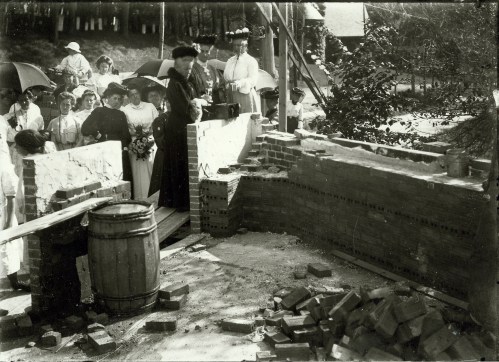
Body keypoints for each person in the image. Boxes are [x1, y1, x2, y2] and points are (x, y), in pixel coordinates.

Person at [159, 46, 202, 210]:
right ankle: (179, 203)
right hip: (177, 129)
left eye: (191, 67)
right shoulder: (175, 84)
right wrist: (197, 104)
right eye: (186, 66)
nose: (188, 70)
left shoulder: (186, 82)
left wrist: (197, 101)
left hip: (183, 128)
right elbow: (185, 108)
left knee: (182, 165)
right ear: (177, 66)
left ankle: (182, 201)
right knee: (178, 165)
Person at [81, 82, 133, 194]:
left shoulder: (121, 114)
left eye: (120, 99)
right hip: (103, 148)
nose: (117, 101)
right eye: (114, 98)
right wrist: (98, 135)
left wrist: (123, 148)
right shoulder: (99, 111)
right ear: (108, 98)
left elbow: (126, 135)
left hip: (118, 150)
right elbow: (85, 127)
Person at [11, 130, 56, 225]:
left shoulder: (29, 163)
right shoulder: (44, 158)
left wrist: (21, 206)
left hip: (30, 210)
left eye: (17, 145)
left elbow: (23, 190)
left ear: (26, 146)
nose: (15, 148)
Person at [0, 150, 29, 292]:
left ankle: (15, 283)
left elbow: (10, 196)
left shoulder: (3, 166)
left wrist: (8, 223)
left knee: (7, 251)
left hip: (3, 216)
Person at [122, 85, 158, 200]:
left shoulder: (150, 106)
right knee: (137, 172)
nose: (135, 96)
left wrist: (149, 133)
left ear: (140, 94)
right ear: (128, 97)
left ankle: (154, 195)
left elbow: (157, 122)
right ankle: (140, 197)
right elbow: (125, 128)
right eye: (131, 94)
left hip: (150, 140)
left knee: (151, 166)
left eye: (136, 93)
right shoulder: (125, 109)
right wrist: (136, 136)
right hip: (135, 143)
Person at [223, 28, 260, 113]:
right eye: (235, 45)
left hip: (245, 95)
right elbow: (225, 77)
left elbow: (253, 80)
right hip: (231, 95)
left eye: (240, 45)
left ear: (246, 46)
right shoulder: (230, 60)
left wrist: (239, 83)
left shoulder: (250, 60)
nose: (237, 48)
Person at [191, 34, 224, 104]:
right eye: (202, 51)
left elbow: (220, 86)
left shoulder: (213, 69)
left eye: (207, 51)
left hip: (214, 105)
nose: (205, 54)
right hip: (198, 105)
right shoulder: (192, 69)